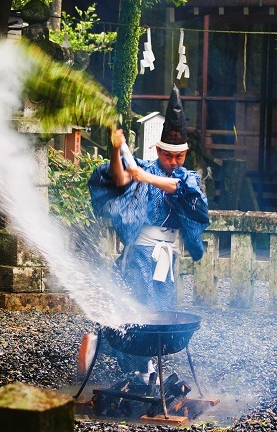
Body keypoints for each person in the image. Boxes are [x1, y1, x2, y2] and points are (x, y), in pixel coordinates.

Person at [78, 84, 210, 380]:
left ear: (186, 153)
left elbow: (186, 194)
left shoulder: (186, 178)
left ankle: (140, 365)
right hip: (139, 253)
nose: (173, 162)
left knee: (161, 310)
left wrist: (146, 176)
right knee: (139, 307)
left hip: (166, 256)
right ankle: (139, 369)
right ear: (158, 150)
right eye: (168, 156)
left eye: (179, 157)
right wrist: (115, 150)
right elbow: (120, 178)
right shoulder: (144, 167)